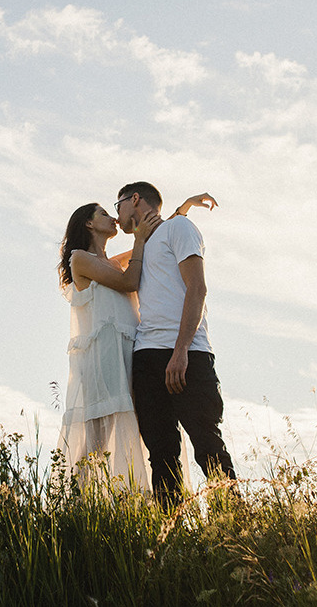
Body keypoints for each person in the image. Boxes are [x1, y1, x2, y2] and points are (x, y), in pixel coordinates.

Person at [56, 193, 216, 491]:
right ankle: (74, 500)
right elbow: (131, 280)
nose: (113, 217)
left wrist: (180, 211)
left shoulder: (112, 263)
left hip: (128, 357)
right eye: (105, 213)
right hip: (103, 359)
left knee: (141, 433)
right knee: (95, 438)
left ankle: (129, 503)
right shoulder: (81, 258)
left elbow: (153, 235)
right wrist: (140, 240)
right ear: (89, 223)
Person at [114, 181, 236, 504]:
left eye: (118, 206)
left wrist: (180, 350)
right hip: (146, 359)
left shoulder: (179, 228)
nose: (117, 217)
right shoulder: (140, 248)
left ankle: (237, 524)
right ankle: (175, 542)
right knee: (162, 454)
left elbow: (197, 289)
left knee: (207, 443)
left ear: (135, 199)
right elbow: (110, 265)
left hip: (187, 354)